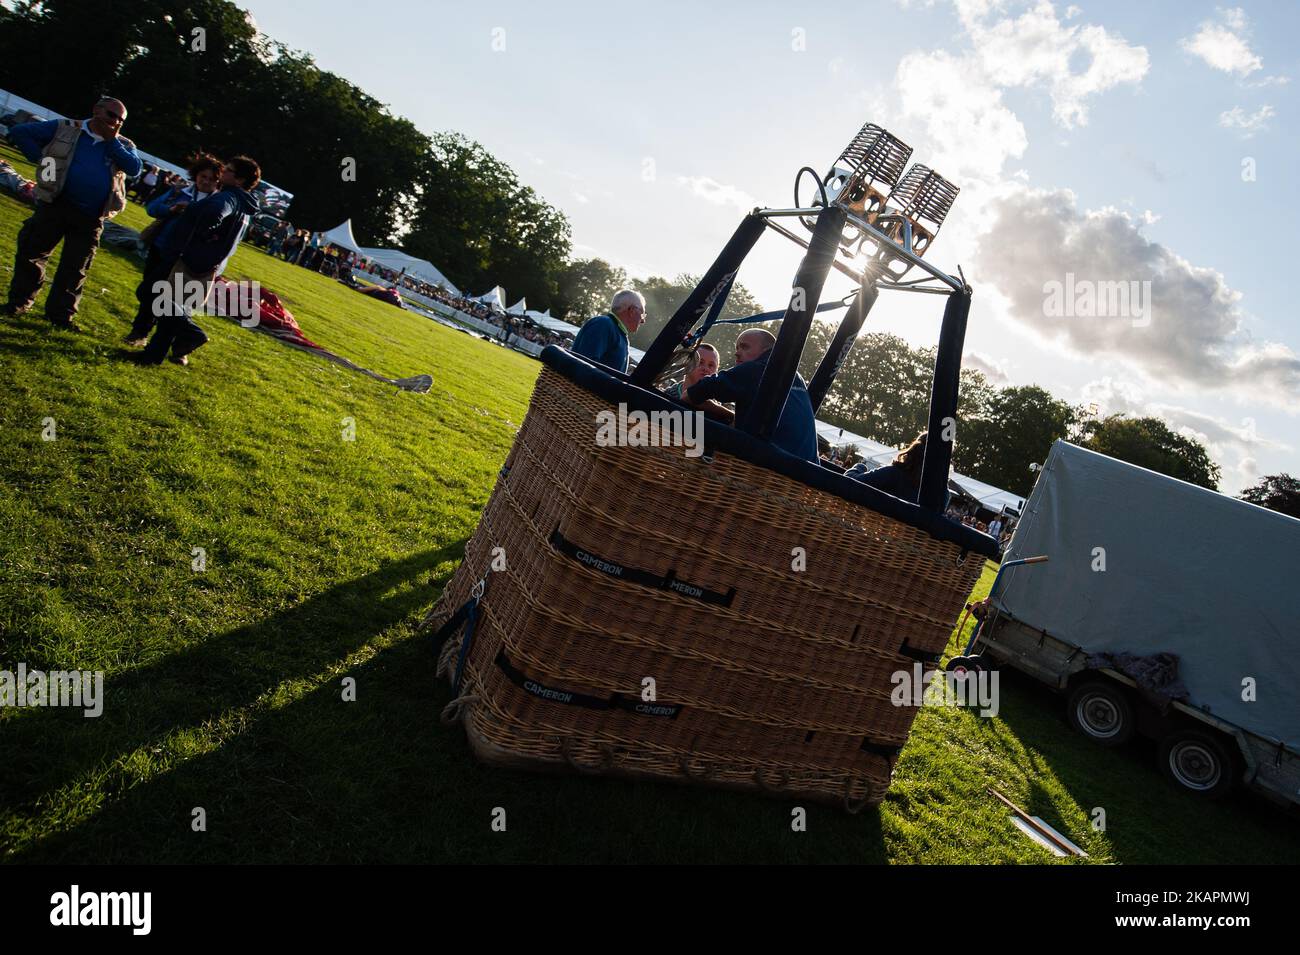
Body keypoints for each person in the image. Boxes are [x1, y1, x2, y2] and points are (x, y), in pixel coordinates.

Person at [3, 97, 142, 330]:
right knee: (32, 254)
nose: (115, 122)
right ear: (96, 110)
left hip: (92, 215)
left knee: (76, 267)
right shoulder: (65, 127)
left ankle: (60, 316)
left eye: (121, 120)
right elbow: (20, 133)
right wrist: (42, 160)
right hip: (56, 204)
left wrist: (112, 141)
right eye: (111, 115)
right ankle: (19, 303)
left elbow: (134, 169)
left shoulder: (124, 144)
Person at [134, 155, 261, 367]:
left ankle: (192, 333)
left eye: (228, 170)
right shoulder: (243, 203)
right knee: (166, 304)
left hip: (190, 259)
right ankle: (153, 356)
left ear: (239, 180)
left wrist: (193, 215)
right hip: (205, 263)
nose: (223, 173)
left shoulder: (228, 198)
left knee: (150, 293)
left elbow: (213, 214)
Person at [124, 152, 223, 345]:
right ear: (196, 175)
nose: (206, 182)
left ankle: (177, 341)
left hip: (187, 258)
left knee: (176, 301)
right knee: (149, 292)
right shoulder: (180, 191)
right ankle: (139, 332)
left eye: (212, 179)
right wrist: (172, 210)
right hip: (161, 248)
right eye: (203, 176)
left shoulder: (217, 203)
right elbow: (151, 208)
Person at [684, 328, 818, 462]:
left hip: (772, 468)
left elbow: (690, 395)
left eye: (744, 347)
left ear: (766, 350)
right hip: (808, 473)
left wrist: (728, 414)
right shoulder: (797, 377)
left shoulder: (758, 369)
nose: (737, 353)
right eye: (737, 348)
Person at [847, 431, 949, 505]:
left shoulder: (894, 474)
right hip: (910, 535)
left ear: (913, 450)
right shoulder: (940, 497)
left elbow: (849, 482)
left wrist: (860, 467)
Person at [571, 289, 645, 373]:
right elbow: (583, 367)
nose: (643, 320)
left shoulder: (615, 331)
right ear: (632, 310)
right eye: (642, 313)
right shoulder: (603, 324)